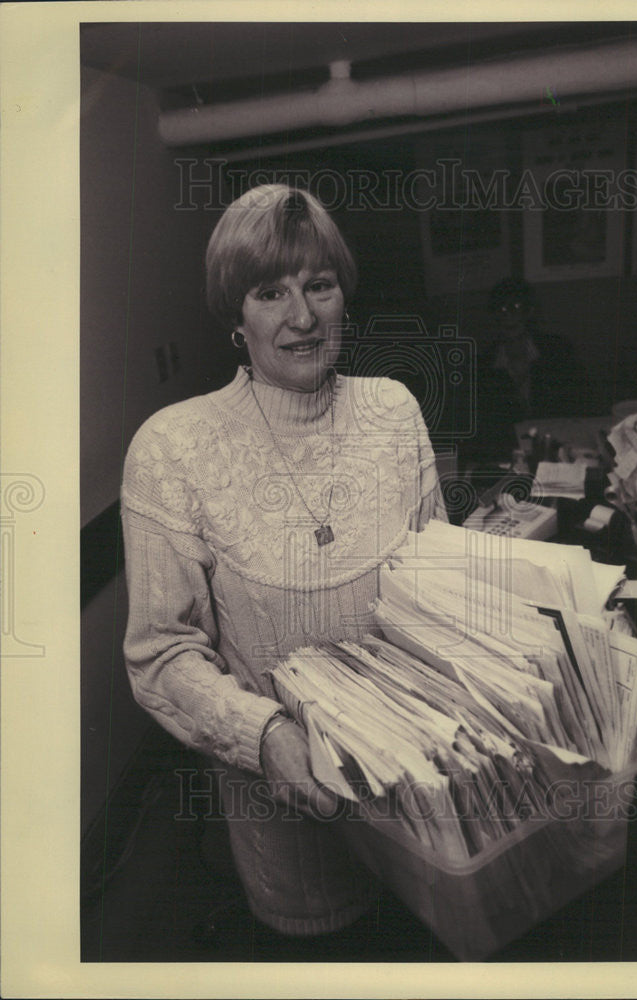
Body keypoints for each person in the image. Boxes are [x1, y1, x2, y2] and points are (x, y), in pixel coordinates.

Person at [121, 184, 447, 942]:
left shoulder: (394, 410)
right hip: (287, 816)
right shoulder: (173, 448)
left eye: (319, 286)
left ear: (342, 298)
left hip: (418, 788)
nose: (301, 316)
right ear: (236, 317)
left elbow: (436, 580)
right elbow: (161, 654)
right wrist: (266, 738)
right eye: (270, 292)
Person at [460, 277, 592, 467]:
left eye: (515, 307)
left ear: (529, 311)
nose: (508, 316)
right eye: (501, 310)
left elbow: (581, 402)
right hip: (511, 459)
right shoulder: (483, 366)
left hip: (559, 451)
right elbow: (484, 428)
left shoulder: (557, 350)